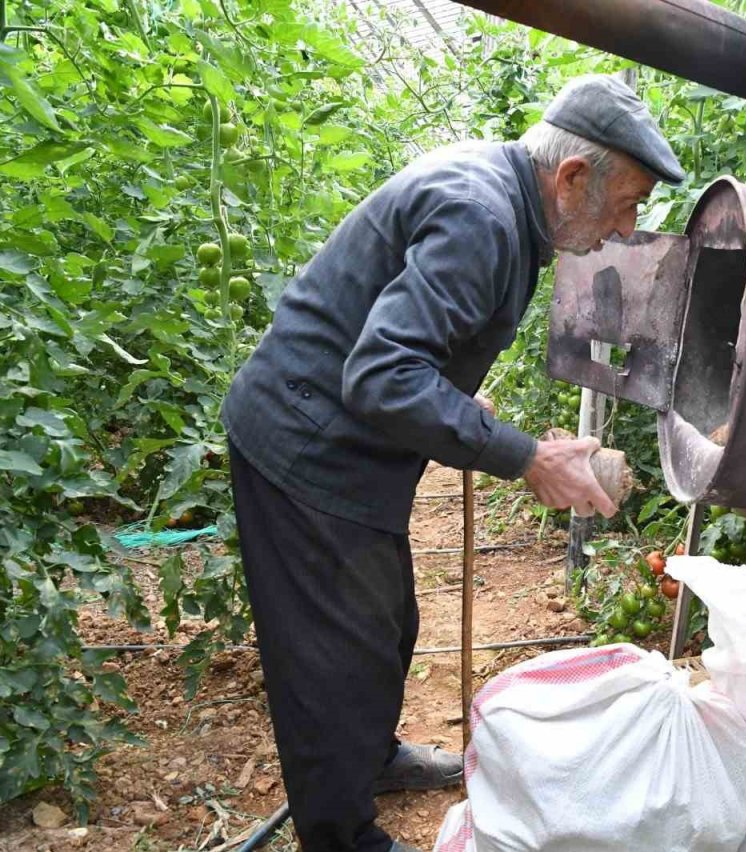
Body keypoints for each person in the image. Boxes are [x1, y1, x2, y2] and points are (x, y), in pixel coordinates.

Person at [219, 74, 685, 852]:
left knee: (388, 623)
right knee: (333, 657)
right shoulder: (482, 216)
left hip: (347, 440)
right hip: (305, 445)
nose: (625, 228)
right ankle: (340, 836)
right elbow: (381, 376)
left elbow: (402, 347)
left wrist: (461, 404)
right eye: (628, 204)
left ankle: (373, 759)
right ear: (573, 179)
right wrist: (527, 459)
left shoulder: (504, 198)